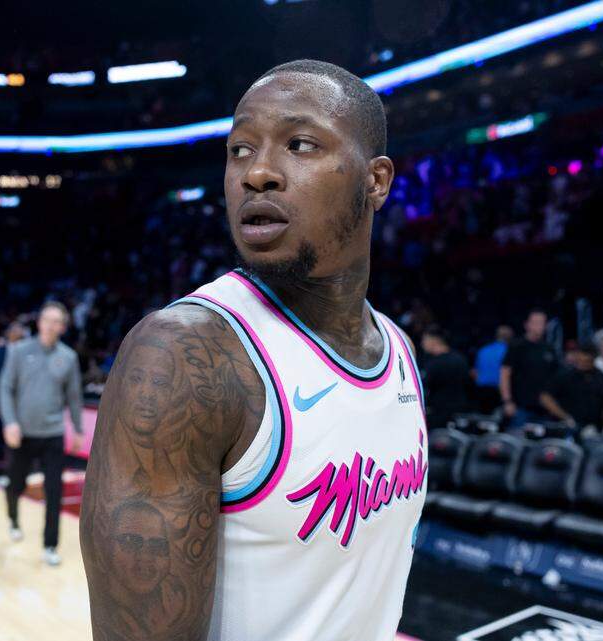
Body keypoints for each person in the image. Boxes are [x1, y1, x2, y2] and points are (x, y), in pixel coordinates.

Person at [81, 60, 426, 640]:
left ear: (377, 180)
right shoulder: (186, 356)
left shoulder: (399, 349)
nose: (257, 173)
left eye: (299, 144)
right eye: (239, 149)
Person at [0, 303, 84, 564]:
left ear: (62, 327)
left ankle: (50, 545)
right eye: (46, 319)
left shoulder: (68, 357)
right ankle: (13, 518)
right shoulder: (18, 351)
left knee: (54, 489)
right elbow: (5, 388)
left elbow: (74, 397)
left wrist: (78, 428)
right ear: (39, 322)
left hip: (53, 434)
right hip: (22, 434)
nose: (50, 325)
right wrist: (10, 422)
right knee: (16, 484)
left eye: (56, 321)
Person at [500, 308, 558, 430]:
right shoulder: (516, 346)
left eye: (542, 323)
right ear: (527, 325)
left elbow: (555, 377)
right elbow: (505, 374)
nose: (539, 326)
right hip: (520, 407)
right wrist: (507, 401)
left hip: (544, 409)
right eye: (535, 322)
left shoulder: (549, 349)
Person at [540, 340, 603, 432]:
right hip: (567, 427)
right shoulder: (564, 376)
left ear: (593, 359)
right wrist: (565, 417)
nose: (582, 362)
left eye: (587, 360)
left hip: (593, 429)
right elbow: (545, 398)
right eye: (580, 358)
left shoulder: (602, 378)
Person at [0, 322, 25, 479]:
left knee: (20, 428)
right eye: (14, 330)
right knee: (1, 426)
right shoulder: (0, 351)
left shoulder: (26, 352)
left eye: (19, 330)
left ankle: (18, 464)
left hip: (21, 397)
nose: (17, 333)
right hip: (1, 396)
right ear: (8, 333)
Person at [421, 325, 471, 430]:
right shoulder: (460, 359)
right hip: (461, 412)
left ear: (434, 341)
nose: (422, 343)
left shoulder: (433, 364)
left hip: (439, 415)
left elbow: (423, 387)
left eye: (425, 339)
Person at [473, 325, 512, 413]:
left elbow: (475, 372)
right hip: (498, 393)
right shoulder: (509, 351)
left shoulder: (483, 350)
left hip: (481, 392)